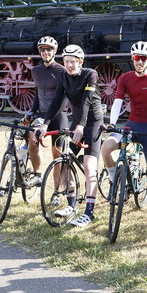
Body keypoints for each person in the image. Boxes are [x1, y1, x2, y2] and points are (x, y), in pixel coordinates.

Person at [101, 41, 147, 237]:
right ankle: (116, 183)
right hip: (131, 125)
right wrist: (112, 124)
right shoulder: (125, 78)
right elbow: (118, 101)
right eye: (137, 58)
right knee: (106, 148)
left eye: (144, 58)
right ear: (132, 58)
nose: (140, 61)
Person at [38, 44, 103, 228]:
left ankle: (89, 212)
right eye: (66, 62)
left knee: (90, 166)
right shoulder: (63, 76)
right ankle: (71, 203)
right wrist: (45, 124)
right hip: (78, 123)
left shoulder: (90, 74)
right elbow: (57, 102)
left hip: (92, 122)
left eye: (73, 62)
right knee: (65, 160)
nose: (69, 65)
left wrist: (81, 126)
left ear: (80, 62)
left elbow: (86, 101)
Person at [24, 36, 67, 188]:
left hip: (58, 116)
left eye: (49, 49)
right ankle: (37, 175)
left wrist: (49, 120)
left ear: (55, 51)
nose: (46, 52)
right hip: (42, 114)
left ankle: (57, 190)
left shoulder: (62, 71)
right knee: (32, 136)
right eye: (43, 49)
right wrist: (31, 111)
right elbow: (37, 95)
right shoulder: (36, 71)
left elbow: (63, 99)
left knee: (57, 154)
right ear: (39, 52)